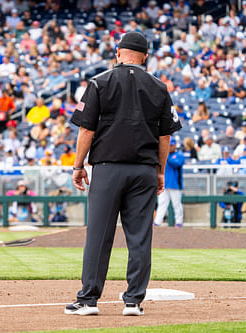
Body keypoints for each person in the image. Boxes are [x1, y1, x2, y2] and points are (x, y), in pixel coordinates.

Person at [65, 32, 181, 316]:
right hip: (143, 169)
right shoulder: (159, 87)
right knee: (140, 236)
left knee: (99, 235)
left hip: (108, 168)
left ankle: (89, 300)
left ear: (117, 52)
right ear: (146, 57)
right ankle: (133, 301)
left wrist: (79, 165)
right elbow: (165, 136)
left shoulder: (99, 82)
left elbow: (86, 129)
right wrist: (160, 171)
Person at [153, 138, 185, 227]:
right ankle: (157, 222)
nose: (170, 147)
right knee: (162, 203)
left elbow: (176, 164)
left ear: (174, 145)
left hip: (175, 184)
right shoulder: (163, 156)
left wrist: (166, 156)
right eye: (169, 145)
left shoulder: (179, 155)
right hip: (164, 184)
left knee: (177, 204)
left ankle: (179, 222)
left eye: (171, 145)